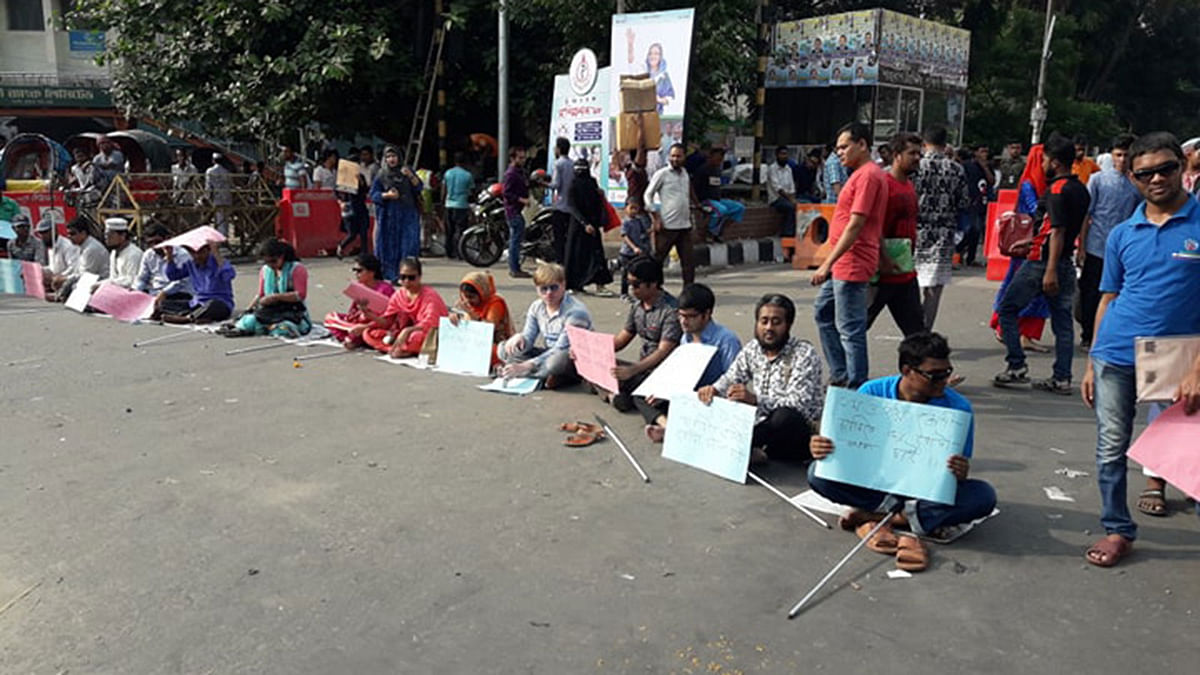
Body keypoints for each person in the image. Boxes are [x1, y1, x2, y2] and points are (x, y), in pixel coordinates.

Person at [1080, 132, 1200, 566]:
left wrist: (1198, 369)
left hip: (1183, 357)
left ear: (1182, 168)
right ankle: (1117, 528)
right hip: (1116, 353)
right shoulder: (1122, 233)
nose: (1157, 179)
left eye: (1166, 168)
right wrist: (1092, 362)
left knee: (1193, 447)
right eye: (1145, 173)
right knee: (1111, 447)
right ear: (1131, 178)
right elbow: (1108, 297)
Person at [807, 332, 998, 570]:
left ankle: (877, 517)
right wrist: (823, 447)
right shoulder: (872, 392)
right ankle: (908, 517)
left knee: (983, 496)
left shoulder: (958, 407)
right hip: (875, 482)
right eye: (934, 375)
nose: (943, 381)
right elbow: (846, 445)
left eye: (946, 373)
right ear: (908, 371)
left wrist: (960, 471)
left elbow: (957, 472)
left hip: (923, 489)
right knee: (817, 472)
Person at [994, 133, 1090, 394]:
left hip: (1044, 263)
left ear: (1055, 162)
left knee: (1007, 309)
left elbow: (1057, 230)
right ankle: (1062, 377)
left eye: (1045, 159)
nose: (1042, 163)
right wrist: (1032, 242)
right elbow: (1065, 229)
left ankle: (1016, 366)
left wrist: (1049, 269)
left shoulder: (1058, 190)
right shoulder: (1081, 188)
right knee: (1062, 323)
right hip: (1063, 260)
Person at [699, 294, 824, 462]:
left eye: (776, 322)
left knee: (784, 417)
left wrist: (755, 400)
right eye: (763, 321)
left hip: (796, 432)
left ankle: (747, 448)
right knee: (715, 400)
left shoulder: (803, 354)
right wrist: (713, 389)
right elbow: (732, 376)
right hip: (762, 424)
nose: (769, 328)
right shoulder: (753, 348)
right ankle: (751, 449)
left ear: (788, 325)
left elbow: (800, 405)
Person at [811, 121, 888, 389]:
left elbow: (856, 224)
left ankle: (856, 385)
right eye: (837, 148)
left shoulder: (867, 176)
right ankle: (841, 373)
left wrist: (826, 264)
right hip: (844, 261)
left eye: (844, 147)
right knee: (823, 312)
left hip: (852, 261)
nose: (839, 153)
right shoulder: (860, 174)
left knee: (850, 328)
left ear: (862, 145)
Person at [641, 283, 742, 443]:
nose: (683, 321)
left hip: (713, 399)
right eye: (681, 316)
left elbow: (735, 381)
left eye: (690, 317)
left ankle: (676, 429)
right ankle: (668, 426)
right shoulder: (685, 338)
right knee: (642, 396)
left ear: (707, 314)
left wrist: (714, 390)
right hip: (689, 395)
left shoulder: (726, 340)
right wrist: (664, 392)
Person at [593, 256, 681, 412]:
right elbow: (621, 339)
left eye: (636, 285)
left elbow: (662, 352)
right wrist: (592, 350)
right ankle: (614, 395)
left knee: (630, 383)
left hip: (660, 372)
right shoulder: (637, 307)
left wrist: (632, 370)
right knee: (596, 366)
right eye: (629, 284)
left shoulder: (670, 311)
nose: (631, 289)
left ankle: (617, 394)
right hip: (641, 368)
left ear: (653, 284)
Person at [1077, 134, 1140, 348]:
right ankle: (1087, 333)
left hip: (1123, 248)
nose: (1122, 160)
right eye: (1118, 155)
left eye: (1126, 155)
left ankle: (1108, 331)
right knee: (1090, 291)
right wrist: (1082, 246)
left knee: (1116, 292)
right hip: (1097, 244)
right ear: (1111, 156)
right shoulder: (1098, 180)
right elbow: (1086, 214)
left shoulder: (1137, 185)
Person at [988, 144, 1052, 351]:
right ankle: (1006, 327)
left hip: (1039, 242)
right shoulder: (1029, 184)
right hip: (1028, 244)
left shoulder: (1044, 182)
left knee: (1036, 291)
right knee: (1020, 288)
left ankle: (1026, 334)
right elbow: (1035, 210)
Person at [498, 262, 594, 386]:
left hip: (571, 356)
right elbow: (529, 337)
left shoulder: (576, 312)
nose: (549, 293)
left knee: (556, 362)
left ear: (563, 285)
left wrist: (527, 365)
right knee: (504, 349)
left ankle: (529, 373)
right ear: (537, 289)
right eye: (544, 289)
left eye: (554, 288)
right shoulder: (536, 306)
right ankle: (541, 375)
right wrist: (519, 338)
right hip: (547, 352)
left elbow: (561, 347)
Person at [867, 133, 924, 337]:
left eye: (919, 153)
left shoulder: (908, 185)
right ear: (896, 155)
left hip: (905, 272)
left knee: (917, 334)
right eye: (912, 153)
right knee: (856, 329)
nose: (917, 157)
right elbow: (875, 227)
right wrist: (884, 259)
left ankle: (917, 369)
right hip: (881, 273)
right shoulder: (884, 184)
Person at [913, 125, 968, 330]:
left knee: (910, 283)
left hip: (916, 231)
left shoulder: (916, 165)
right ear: (945, 144)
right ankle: (924, 330)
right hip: (944, 233)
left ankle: (911, 327)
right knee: (933, 289)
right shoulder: (956, 168)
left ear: (924, 143)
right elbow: (963, 202)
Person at [362, 258, 448, 357]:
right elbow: (388, 321)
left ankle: (404, 349)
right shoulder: (399, 295)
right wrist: (369, 314)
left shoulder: (430, 296)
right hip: (401, 333)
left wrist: (408, 331)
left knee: (416, 337)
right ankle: (398, 348)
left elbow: (432, 324)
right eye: (403, 277)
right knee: (368, 334)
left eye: (411, 278)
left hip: (423, 333)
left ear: (419, 277)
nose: (407, 281)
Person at [644, 143, 700, 288]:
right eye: (673, 156)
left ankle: (689, 290)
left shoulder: (685, 174)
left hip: (684, 225)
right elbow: (648, 195)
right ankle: (655, 289)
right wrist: (655, 216)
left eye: (678, 156)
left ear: (684, 157)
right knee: (657, 260)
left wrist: (697, 205)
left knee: (688, 262)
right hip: (667, 225)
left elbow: (689, 191)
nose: (675, 159)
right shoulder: (662, 174)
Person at [231, 239, 311, 337]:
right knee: (248, 322)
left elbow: (300, 295)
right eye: (267, 262)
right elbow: (260, 294)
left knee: (283, 329)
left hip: (292, 312)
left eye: (273, 261)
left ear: (282, 256)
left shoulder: (297, 269)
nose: (271, 265)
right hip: (270, 311)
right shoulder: (265, 270)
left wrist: (276, 297)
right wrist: (248, 310)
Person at [370, 146, 423, 282]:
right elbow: (374, 194)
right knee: (390, 246)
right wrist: (386, 195)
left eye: (394, 156)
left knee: (408, 245)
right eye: (388, 157)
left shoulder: (406, 171)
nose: (391, 159)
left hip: (407, 214)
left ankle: (407, 275)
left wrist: (410, 176)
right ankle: (392, 275)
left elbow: (419, 187)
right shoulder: (381, 174)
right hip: (389, 217)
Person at [564, 158, 614, 295]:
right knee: (577, 256)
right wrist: (584, 223)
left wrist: (600, 194)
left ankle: (600, 284)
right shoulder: (572, 185)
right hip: (579, 227)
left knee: (596, 255)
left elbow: (596, 202)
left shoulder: (592, 182)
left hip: (592, 225)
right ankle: (575, 285)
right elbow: (572, 207)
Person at [324, 254, 394, 347]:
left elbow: (389, 319)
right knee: (330, 317)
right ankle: (353, 335)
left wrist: (366, 324)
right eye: (354, 270)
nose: (356, 274)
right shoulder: (359, 287)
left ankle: (354, 336)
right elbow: (353, 312)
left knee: (371, 333)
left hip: (375, 325)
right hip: (358, 323)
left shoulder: (385, 289)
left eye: (359, 271)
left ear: (371, 272)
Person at [161, 239, 236, 324]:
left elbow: (229, 275)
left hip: (219, 303)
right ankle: (199, 316)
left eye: (201, 252)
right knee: (163, 304)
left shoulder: (219, 263)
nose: (197, 256)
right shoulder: (191, 264)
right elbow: (173, 276)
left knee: (215, 305)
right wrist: (169, 256)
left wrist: (216, 253)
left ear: (208, 251)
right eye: (193, 253)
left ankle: (188, 318)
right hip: (197, 303)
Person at [451, 270, 513, 365]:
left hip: (494, 343)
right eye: (465, 297)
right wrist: (454, 318)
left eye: (471, 297)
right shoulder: (464, 303)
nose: (468, 301)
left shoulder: (495, 303)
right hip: (470, 341)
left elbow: (488, 329)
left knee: (491, 352)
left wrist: (472, 315)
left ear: (482, 293)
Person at [135, 224, 193, 316]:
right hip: (155, 292)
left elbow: (181, 281)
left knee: (166, 304)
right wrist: (136, 291)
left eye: (157, 242)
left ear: (167, 239)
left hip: (177, 293)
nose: (155, 246)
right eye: (150, 243)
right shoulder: (148, 254)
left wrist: (164, 292)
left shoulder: (182, 254)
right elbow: (142, 278)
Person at [692, 148, 745, 241]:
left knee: (739, 208)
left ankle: (720, 231)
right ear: (711, 157)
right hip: (706, 200)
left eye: (721, 159)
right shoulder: (702, 170)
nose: (720, 161)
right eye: (718, 158)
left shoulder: (717, 171)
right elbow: (693, 187)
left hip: (717, 199)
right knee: (721, 210)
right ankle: (710, 231)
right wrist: (697, 203)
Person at [50, 217, 109, 300]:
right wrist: (61, 276)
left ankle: (60, 296)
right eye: (68, 234)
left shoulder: (92, 249)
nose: (69, 237)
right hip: (85, 278)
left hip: (98, 281)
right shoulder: (80, 246)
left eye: (73, 234)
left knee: (73, 285)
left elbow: (86, 275)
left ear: (83, 233)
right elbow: (75, 269)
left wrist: (65, 279)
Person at [957, 144, 992, 267]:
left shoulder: (986, 166)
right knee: (973, 229)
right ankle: (958, 250)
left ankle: (970, 257)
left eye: (986, 152)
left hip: (982, 201)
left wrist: (984, 167)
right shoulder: (967, 166)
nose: (984, 154)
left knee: (978, 230)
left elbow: (991, 181)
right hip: (970, 202)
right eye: (982, 151)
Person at [502, 146, 532, 278]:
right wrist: (521, 200)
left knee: (517, 239)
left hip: (518, 210)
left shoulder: (520, 172)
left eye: (524, 157)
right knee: (515, 240)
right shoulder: (511, 174)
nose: (523, 160)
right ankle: (515, 268)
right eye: (520, 157)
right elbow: (506, 193)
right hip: (513, 211)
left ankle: (516, 267)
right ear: (512, 158)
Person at [618, 198, 652, 299]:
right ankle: (624, 293)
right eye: (631, 208)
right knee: (626, 273)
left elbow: (644, 232)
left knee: (637, 273)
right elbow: (625, 236)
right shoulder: (625, 222)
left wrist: (650, 231)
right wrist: (634, 247)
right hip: (627, 253)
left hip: (637, 253)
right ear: (625, 208)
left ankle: (636, 292)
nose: (634, 211)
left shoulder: (639, 221)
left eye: (636, 208)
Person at [442, 152, 473, 261]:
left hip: (449, 204)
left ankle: (449, 252)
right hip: (462, 205)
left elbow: (444, 190)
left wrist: (443, 202)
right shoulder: (468, 175)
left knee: (449, 231)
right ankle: (460, 252)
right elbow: (471, 192)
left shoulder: (448, 173)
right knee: (461, 230)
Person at [549, 137, 575, 263]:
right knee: (568, 236)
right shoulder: (572, 164)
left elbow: (555, 184)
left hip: (560, 205)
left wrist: (543, 183)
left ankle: (560, 261)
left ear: (558, 149)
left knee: (558, 237)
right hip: (571, 207)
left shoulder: (558, 164)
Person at [336, 168, 370, 259]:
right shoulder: (344, 178)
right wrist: (341, 202)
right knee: (352, 234)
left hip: (361, 207)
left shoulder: (360, 176)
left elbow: (365, 190)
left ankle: (364, 254)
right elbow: (337, 192)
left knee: (364, 233)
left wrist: (361, 181)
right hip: (349, 208)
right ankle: (342, 246)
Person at [102, 217, 143, 289]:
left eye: (110, 235)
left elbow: (132, 280)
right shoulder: (114, 252)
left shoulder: (134, 254)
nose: (107, 238)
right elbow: (113, 277)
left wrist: (108, 283)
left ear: (123, 236)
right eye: (106, 235)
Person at [767, 146, 797, 237]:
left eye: (786, 154)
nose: (784, 156)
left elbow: (792, 188)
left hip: (788, 198)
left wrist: (793, 199)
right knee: (790, 207)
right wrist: (791, 200)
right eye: (782, 154)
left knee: (805, 204)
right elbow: (778, 189)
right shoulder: (772, 169)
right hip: (776, 199)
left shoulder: (788, 169)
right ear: (777, 155)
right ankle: (787, 234)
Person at [206, 153, 232, 237]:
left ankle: (220, 236)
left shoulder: (210, 171)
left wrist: (207, 197)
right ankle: (225, 235)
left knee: (219, 218)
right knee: (225, 219)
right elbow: (230, 184)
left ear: (213, 161)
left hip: (217, 197)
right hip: (227, 197)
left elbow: (208, 186)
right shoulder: (226, 171)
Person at [92, 136, 125, 200]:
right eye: (101, 143)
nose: (104, 145)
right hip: (103, 183)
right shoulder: (97, 158)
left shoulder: (118, 154)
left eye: (105, 143)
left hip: (117, 182)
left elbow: (112, 164)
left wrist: (99, 166)